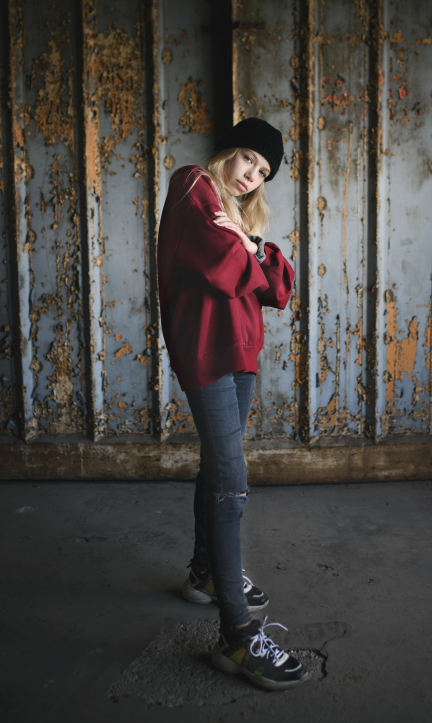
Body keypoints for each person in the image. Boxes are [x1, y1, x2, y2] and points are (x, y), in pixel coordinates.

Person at [157, 117, 306, 691]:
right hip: (208, 352)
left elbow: (279, 288)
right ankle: (237, 639)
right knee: (231, 482)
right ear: (228, 153)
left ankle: (204, 573)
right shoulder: (193, 184)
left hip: (240, 354)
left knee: (219, 467)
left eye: (263, 173)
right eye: (248, 160)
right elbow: (227, 272)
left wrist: (250, 243)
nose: (251, 177)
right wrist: (249, 253)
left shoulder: (239, 218)